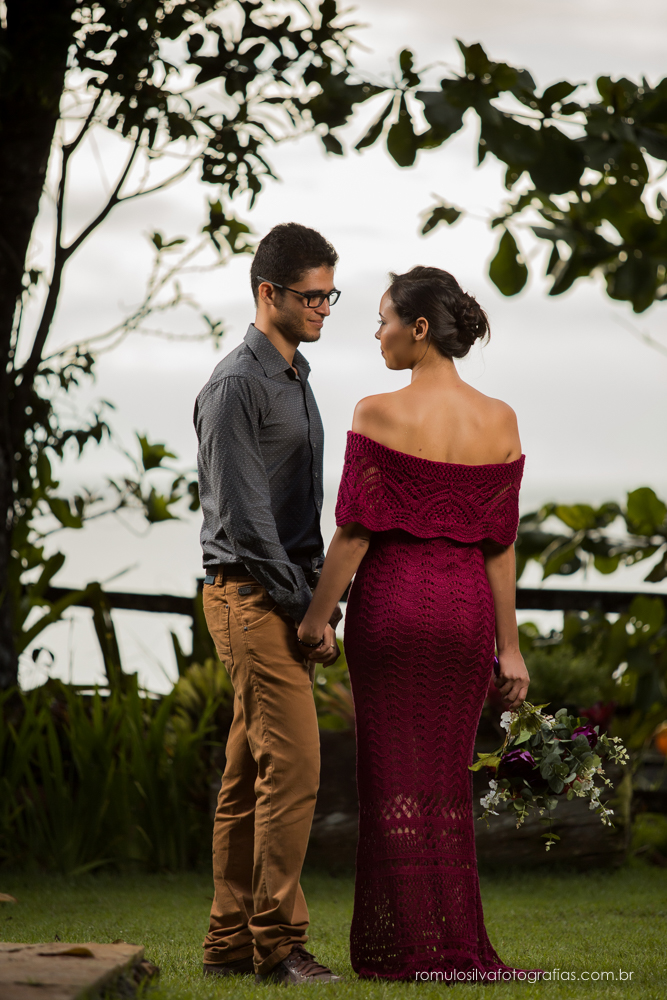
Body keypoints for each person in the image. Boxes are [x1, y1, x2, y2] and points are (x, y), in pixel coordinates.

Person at [298, 266, 532, 980]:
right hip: (463, 620)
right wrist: (510, 650)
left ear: (419, 329)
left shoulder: (375, 412)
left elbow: (354, 535)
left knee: (391, 782)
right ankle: (451, 944)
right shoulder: (499, 419)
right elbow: (499, 547)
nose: (377, 335)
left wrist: (315, 618)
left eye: (382, 321)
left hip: (393, 612)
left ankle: (402, 949)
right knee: (441, 785)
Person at [194, 222, 344, 985]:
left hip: (279, 597)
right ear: (268, 293)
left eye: (329, 294)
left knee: (249, 772)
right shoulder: (235, 386)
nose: (323, 307)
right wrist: (306, 614)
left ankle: (227, 941)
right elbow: (250, 524)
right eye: (310, 296)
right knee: (293, 770)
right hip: (252, 599)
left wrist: (314, 604)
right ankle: (277, 944)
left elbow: (298, 518)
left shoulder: (294, 376)